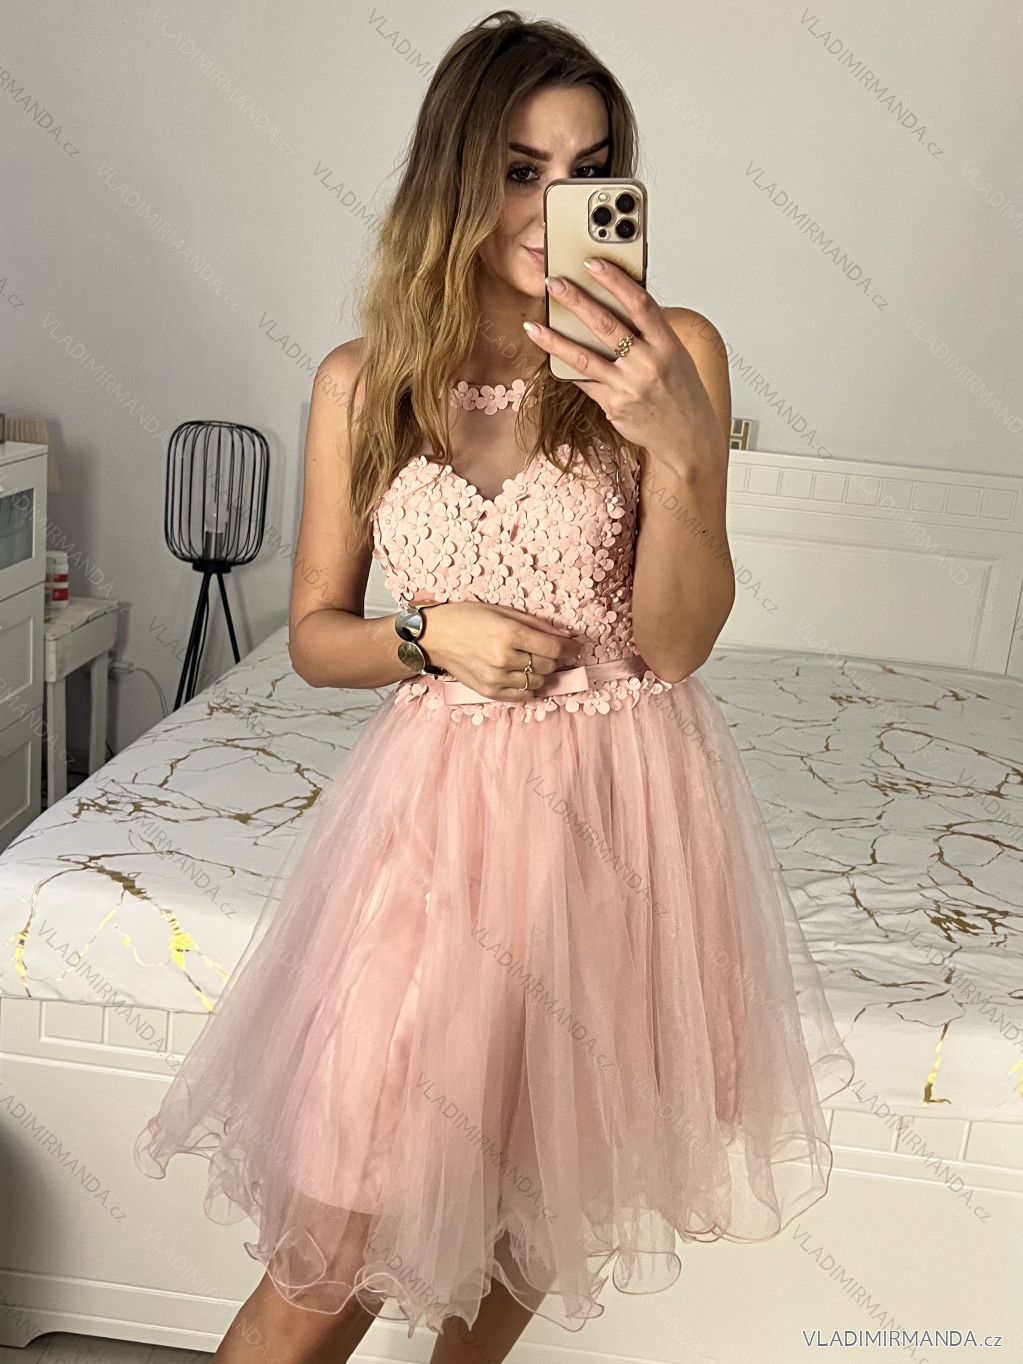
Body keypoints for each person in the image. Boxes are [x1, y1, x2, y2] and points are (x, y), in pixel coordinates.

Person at [134, 11, 854, 1363]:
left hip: (618, 826)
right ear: (457, 174)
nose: (553, 204)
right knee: (334, 1239)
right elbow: (313, 636)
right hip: (436, 826)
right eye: (522, 170)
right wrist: (431, 637)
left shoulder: (676, 354)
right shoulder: (365, 381)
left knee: (529, 1209)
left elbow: (678, 643)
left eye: (588, 171)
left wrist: (684, 451)